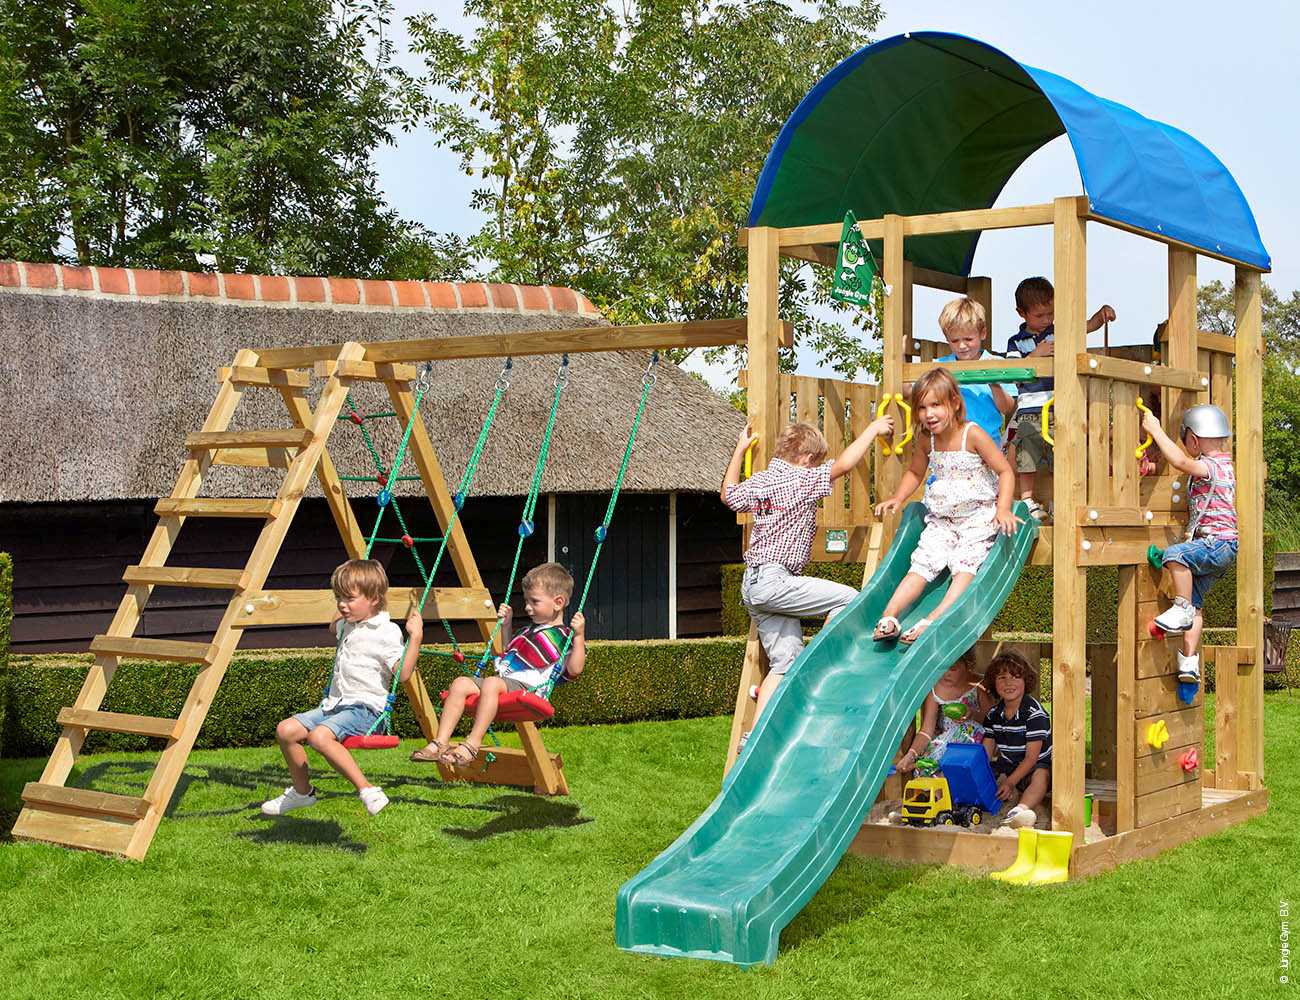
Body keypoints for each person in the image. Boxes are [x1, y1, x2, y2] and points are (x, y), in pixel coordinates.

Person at [723, 413, 895, 744]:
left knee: (785, 662)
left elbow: (728, 496)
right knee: (850, 599)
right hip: (775, 581)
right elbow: (843, 465)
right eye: (815, 462)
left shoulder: (761, 481)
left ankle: (755, 739)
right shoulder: (800, 481)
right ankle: (826, 665)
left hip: (753, 585)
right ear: (806, 458)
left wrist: (740, 449)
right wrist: (872, 428)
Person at [262, 559, 422, 817]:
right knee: (286, 730)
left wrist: (416, 637)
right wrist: (345, 603)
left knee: (318, 737)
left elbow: (403, 674)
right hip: (335, 705)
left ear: (374, 598)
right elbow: (332, 625)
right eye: (338, 597)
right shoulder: (347, 625)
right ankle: (302, 793)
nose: (341, 604)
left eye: (349, 598)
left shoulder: (386, 631)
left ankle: (367, 789)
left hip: (366, 710)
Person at [872, 369, 1020, 645]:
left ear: (954, 402)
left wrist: (1002, 509)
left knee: (965, 565)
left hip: (978, 516)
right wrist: (898, 498)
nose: (929, 414)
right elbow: (916, 472)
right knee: (921, 564)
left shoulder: (972, 434)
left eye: (936, 405)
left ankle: (935, 617)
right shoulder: (927, 439)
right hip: (942, 519)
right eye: (922, 408)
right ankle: (890, 616)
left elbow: (1005, 471)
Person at [410, 562, 586, 766]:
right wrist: (507, 625)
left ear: (558, 602)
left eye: (534, 602)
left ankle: (472, 745)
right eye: (527, 600)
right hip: (504, 682)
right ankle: (439, 742)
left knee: (493, 683)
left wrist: (580, 635)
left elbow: (575, 669)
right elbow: (505, 653)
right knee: (460, 683)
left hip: (529, 689)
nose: (528, 607)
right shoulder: (527, 632)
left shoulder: (564, 637)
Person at [1005, 276, 1116, 521]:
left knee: (1062, 454)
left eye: (1050, 313)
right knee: (1027, 454)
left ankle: (1060, 499)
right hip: (1029, 410)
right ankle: (1027, 500)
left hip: (1059, 407)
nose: (1046, 320)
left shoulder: (1059, 332)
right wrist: (1036, 354)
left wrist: (1101, 315)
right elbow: (1014, 373)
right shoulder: (1016, 343)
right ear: (1022, 313)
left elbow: (1085, 326)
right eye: (1040, 315)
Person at [1142, 404, 1237, 682]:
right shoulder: (1225, 464)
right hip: (1225, 547)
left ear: (1193, 439)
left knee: (1176, 556)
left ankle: (1180, 609)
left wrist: (1157, 431)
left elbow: (1182, 463)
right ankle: (1189, 663)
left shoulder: (1210, 465)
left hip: (1218, 544)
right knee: (1197, 604)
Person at [982, 650, 1052, 829]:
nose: (1008, 683)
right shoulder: (993, 714)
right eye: (1001, 678)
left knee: (1040, 777)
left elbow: (1031, 758)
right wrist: (981, 770)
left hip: (1036, 765)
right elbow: (986, 752)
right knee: (988, 772)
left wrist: (1010, 782)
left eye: (1015, 677)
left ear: (1025, 681)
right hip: (1009, 765)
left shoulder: (1034, 714)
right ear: (993, 682)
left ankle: (1020, 810)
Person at [932, 296, 1017, 443]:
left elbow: (1007, 408)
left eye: (968, 339)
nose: (962, 346)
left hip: (988, 445)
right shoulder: (940, 366)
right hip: (950, 447)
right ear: (947, 338)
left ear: (982, 333)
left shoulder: (997, 364)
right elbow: (911, 391)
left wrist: (994, 383)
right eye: (955, 341)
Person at [896, 647, 991, 776]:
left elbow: (991, 719)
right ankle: (935, 788)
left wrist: (972, 714)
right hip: (945, 741)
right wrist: (911, 754)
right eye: (941, 668)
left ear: (968, 665)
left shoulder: (978, 686)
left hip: (969, 743)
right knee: (926, 767)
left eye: (952, 668)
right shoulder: (935, 689)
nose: (946, 673)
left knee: (953, 764)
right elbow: (926, 731)